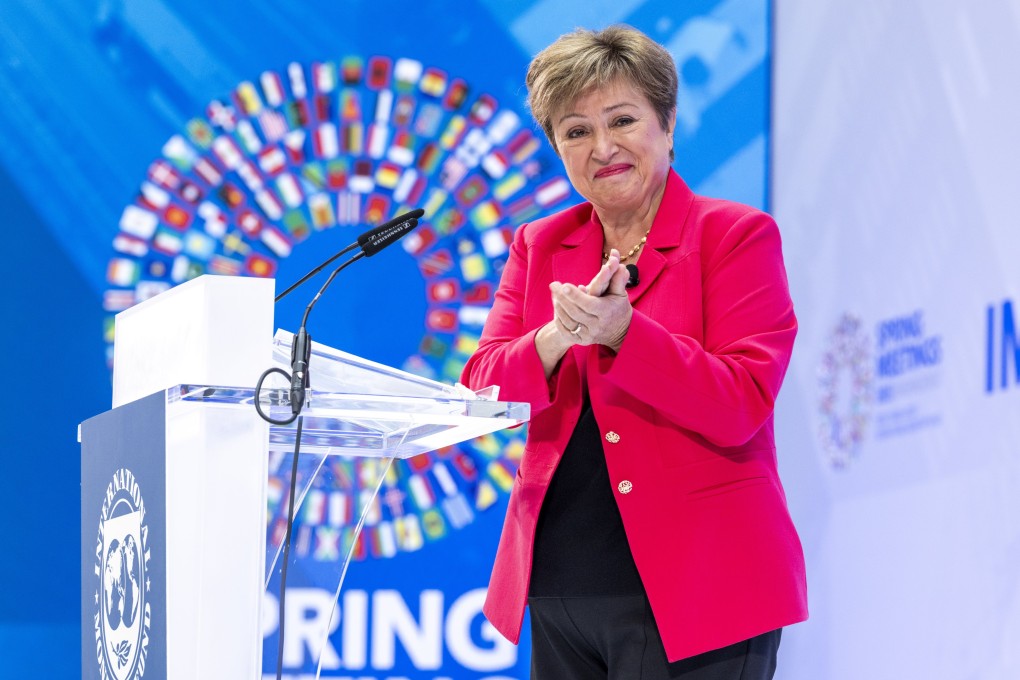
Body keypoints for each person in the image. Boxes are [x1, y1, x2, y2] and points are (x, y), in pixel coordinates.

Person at [459, 25, 808, 679]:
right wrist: (559, 337)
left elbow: (740, 402)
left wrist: (625, 333)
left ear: (668, 123)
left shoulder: (735, 236)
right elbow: (481, 387)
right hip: (561, 583)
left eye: (622, 120)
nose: (603, 147)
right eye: (576, 131)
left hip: (703, 587)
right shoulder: (539, 244)